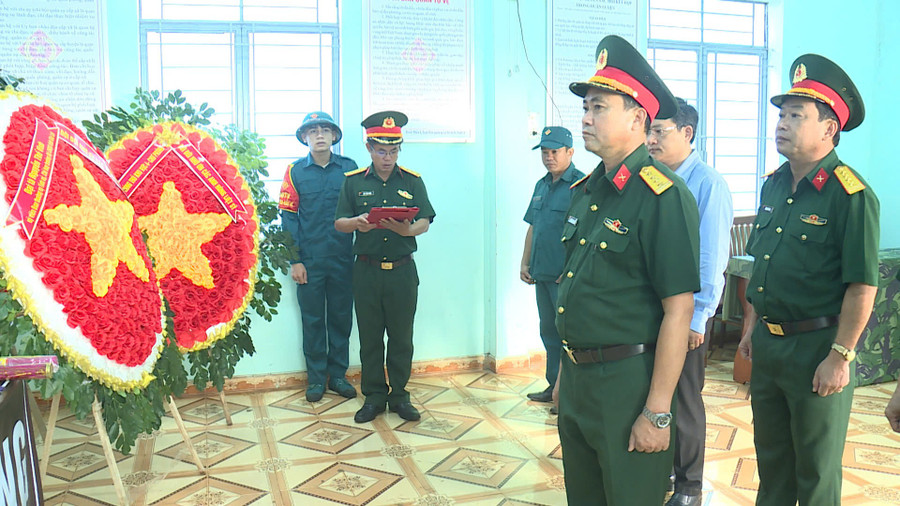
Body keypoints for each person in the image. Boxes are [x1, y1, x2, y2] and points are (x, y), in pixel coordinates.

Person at [554, 35, 701, 505]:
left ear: (638, 119)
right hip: (578, 380)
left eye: (599, 107)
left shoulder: (662, 196)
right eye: (586, 107)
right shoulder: (587, 192)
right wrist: (564, 377)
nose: (585, 118)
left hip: (627, 384)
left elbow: (679, 310)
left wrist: (658, 412)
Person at [738, 54, 880, 505]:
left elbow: (862, 286)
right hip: (770, 346)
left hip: (817, 348)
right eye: (781, 115)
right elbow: (763, 265)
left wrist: (841, 356)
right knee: (772, 465)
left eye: (796, 115)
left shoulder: (850, 194)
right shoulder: (774, 185)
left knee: (816, 473)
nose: (782, 123)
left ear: (828, 128)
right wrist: (750, 330)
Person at [646, 98, 733, 506]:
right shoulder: (653, 179)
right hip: (653, 311)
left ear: (687, 133)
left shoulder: (707, 183)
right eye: (648, 131)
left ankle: (689, 486)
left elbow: (712, 256)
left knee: (683, 399)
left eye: (659, 131)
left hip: (686, 316)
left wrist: (698, 318)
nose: (651, 139)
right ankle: (661, 470)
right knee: (654, 391)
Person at [335, 111, 436, 424]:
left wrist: (407, 230)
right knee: (370, 338)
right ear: (369, 148)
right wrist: (357, 223)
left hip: (403, 272)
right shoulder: (353, 182)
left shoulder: (412, 181)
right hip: (366, 272)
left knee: (402, 338)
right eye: (381, 151)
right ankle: (374, 397)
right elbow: (339, 223)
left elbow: (425, 221)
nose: (387, 158)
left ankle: (400, 396)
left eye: (393, 151)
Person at [279, 111, 359, 402]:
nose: (320, 135)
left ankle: (338, 376)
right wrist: (295, 260)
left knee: (341, 318)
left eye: (325, 130)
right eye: (313, 131)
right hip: (310, 261)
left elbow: (360, 212)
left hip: (343, 258)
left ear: (334, 136)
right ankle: (315, 380)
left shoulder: (349, 169)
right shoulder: (294, 172)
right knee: (312, 320)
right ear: (305, 137)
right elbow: (288, 218)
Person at [521, 126, 584, 409]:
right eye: (545, 152)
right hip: (542, 272)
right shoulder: (541, 185)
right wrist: (525, 261)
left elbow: (585, 233)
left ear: (570, 152)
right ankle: (553, 385)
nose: (549, 157)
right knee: (548, 331)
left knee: (568, 335)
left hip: (565, 277)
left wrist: (571, 269)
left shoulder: (581, 186)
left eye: (555, 152)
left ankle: (569, 393)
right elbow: (533, 226)